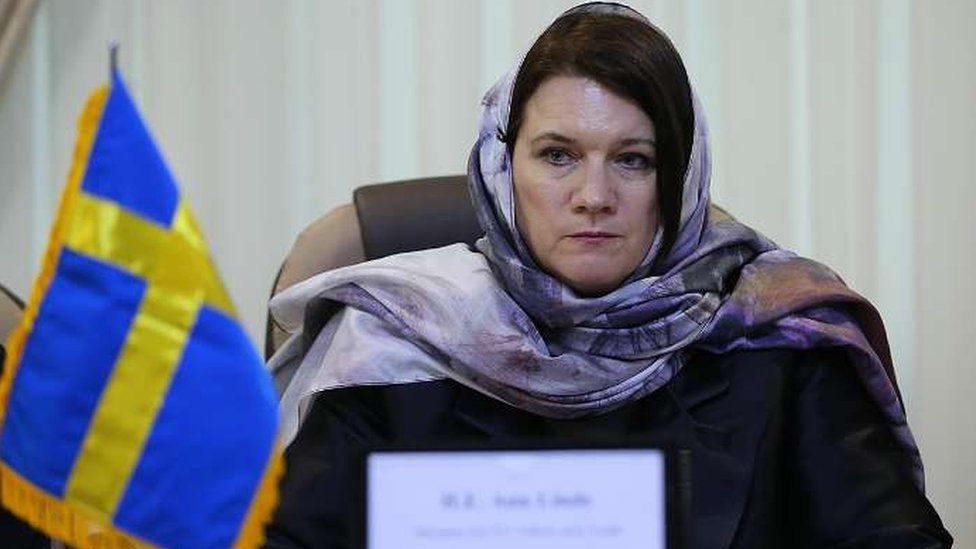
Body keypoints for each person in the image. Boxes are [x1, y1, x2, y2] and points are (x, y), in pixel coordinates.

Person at [264, 3, 951, 548]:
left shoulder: (783, 339)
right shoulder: (389, 343)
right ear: (505, 170)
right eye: (558, 155)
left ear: (679, 181)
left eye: (633, 159)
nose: (593, 195)